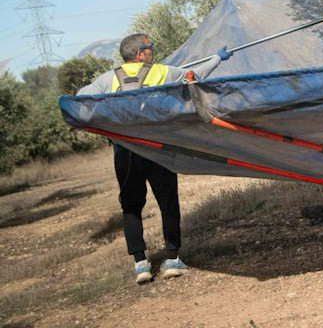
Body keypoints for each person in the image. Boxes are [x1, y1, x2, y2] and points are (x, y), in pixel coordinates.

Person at [79, 33, 230, 284]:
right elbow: (195, 76)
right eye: (150, 48)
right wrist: (217, 58)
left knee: (130, 205)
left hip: (125, 152)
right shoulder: (161, 72)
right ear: (140, 54)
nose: (152, 51)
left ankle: (141, 264)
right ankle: (172, 259)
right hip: (157, 147)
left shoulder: (107, 79)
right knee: (168, 201)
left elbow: (81, 98)